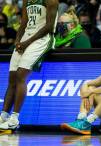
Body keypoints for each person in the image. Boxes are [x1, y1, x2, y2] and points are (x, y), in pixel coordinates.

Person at [0, 0, 58, 130]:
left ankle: (14, 118)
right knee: (12, 77)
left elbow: (49, 26)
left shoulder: (51, 1)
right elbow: (24, 23)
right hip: (26, 37)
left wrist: (27, 42)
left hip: (43, 38)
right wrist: (17, 41)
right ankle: (3, 116)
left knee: (21, 75)